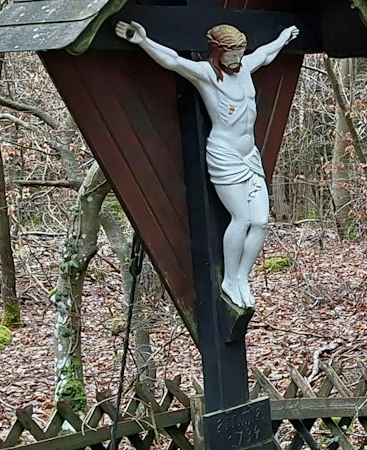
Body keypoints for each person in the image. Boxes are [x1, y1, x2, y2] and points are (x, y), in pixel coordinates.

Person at [115, 20, 298, 312]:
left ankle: (242, 276)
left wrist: (283, 38)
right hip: (225, 155)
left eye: (240, 52)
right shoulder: (206, 76)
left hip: (249, 155)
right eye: (231, 54)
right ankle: (229, 280)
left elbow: (265, 54)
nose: (237, 59)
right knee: (241, 218)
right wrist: (143, 41)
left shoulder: (246, 68)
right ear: (217, 53)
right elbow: (173, 61)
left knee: (261, 221)